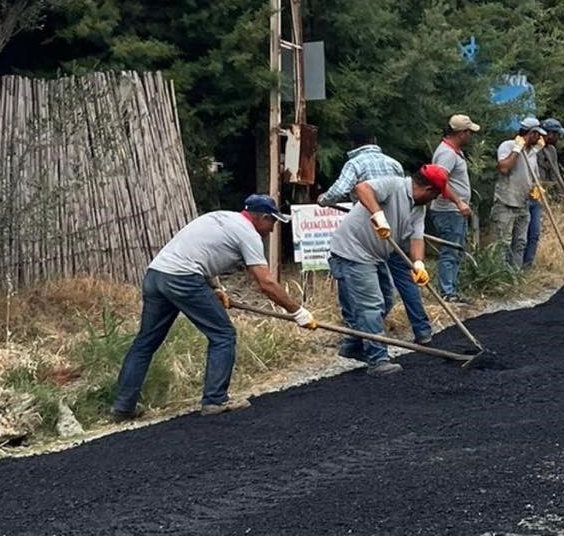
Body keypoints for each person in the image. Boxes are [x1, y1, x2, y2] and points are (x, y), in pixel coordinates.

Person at [112, 194, 317, 420]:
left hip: (156, 275)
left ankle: (123, 406)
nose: (272, 228)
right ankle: (215, 400)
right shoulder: (248, 233)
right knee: (223, 335)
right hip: (182, 279)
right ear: (263, 217)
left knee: (145, 342)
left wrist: (215, 288)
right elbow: (265, 283)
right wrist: (298, 312)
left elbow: (198, 251)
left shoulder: (220, 218)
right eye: (273, 222)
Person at [325, 164, 456, 376]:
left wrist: (419, 264)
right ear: (429, 190)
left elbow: (416, 237)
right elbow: (362, 188)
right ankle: (378, 361)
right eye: (434, 196)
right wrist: (378, 214)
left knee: (386, 301)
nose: (433, 201)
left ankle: (354, 345)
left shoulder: (418, 208)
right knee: (371, 305)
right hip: (353, 251)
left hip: (376, 255)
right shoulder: (394, 185)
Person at [430, 113, 479, 301]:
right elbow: (439, 180)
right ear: (461, 133)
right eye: (469, 132)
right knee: (450, 251)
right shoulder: (447, 154)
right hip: (448, 211)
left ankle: (451, 290)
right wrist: (458, 201)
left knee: (456, 251)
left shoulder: (454, 151)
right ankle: (447, 293)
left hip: (454, 211)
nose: (471, 136)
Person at [492, 117, 542, 269]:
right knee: (503, 243)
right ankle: (499, 275)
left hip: (523, 204)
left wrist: (535, 188)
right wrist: (517, 149)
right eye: (537, 134)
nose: (539, 138)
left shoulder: (533, 153)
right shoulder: (508, 146)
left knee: (520, 242)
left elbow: (534, 177)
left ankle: (515, 275)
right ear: (530, 133)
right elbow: (504, 168)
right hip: (506, 202)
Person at [318, 122, 403, 205]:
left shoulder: (354, 164)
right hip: (394, 217)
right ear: (374, 139)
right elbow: (402, 192)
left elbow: (338, 191)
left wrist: (323, 200)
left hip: (366, 215)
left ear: (352, 143)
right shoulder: (394, 164)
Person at [523, 117, 564, 268]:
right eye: (556, 134)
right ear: (549, 134)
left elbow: (555, 175)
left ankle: (528, 265)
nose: (558, 138)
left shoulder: (551, 150)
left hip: (539, 197)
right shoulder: (532, 148)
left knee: (534, 234)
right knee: (522, 234)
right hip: (525, 195)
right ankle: (516, 266)